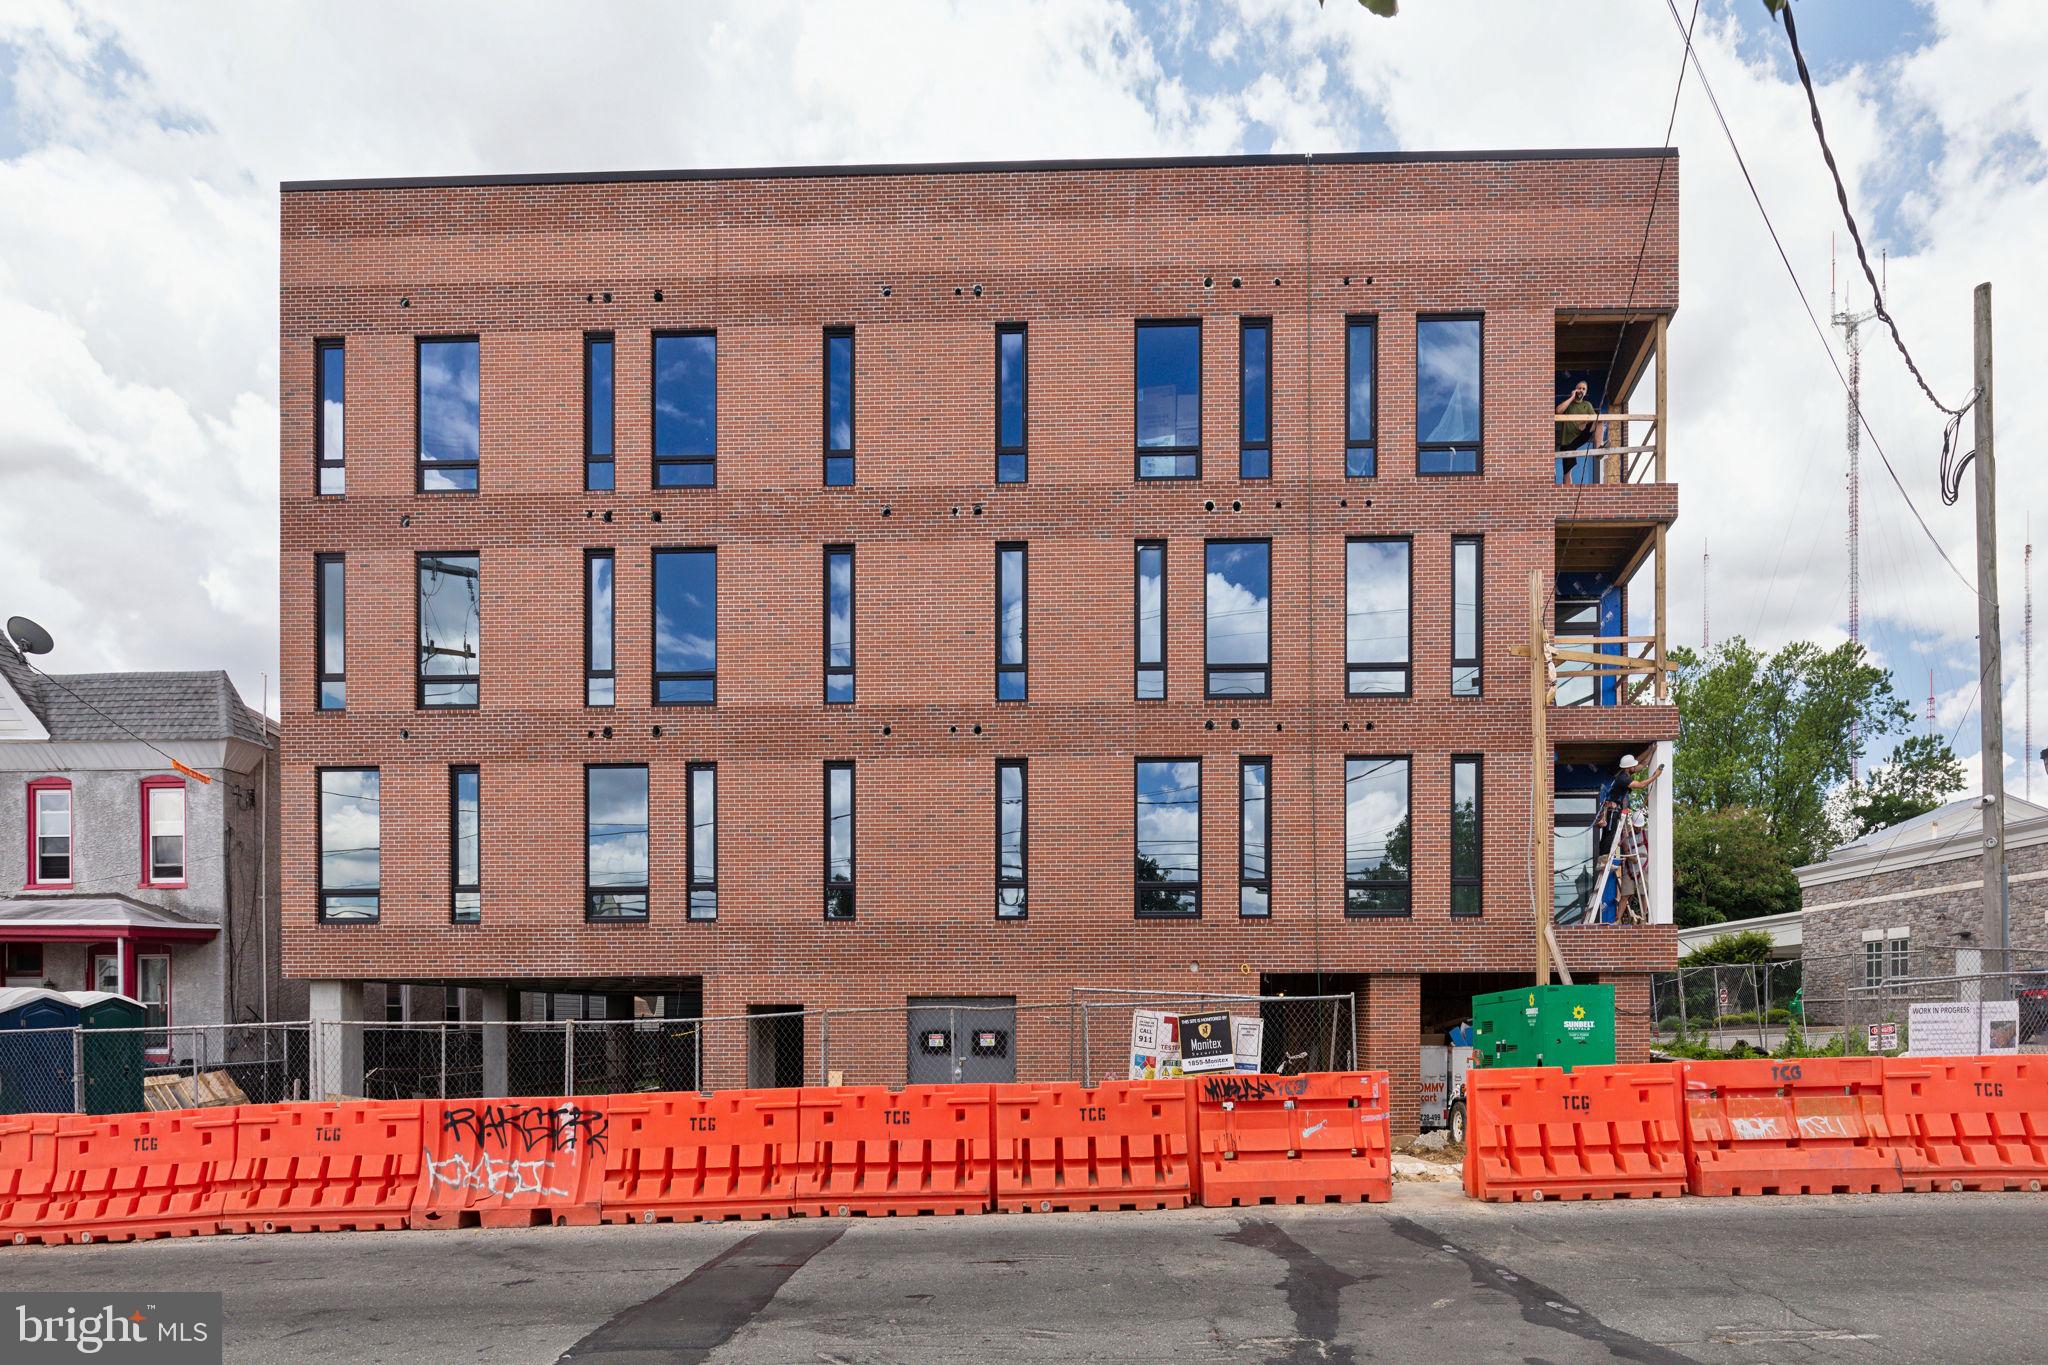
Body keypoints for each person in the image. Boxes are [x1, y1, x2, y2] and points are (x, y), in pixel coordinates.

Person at [1555, 381, 1610, 484]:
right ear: (1575, 390)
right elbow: (1558, 411)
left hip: (1580, 435)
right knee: (1567, 472)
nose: (1581, 390)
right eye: (1579, 388)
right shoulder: (1568, 404)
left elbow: (1595, 419)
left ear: (1586, 392)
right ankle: (1568, 494)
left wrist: (1585, 422)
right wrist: (1572, 397)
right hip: (1567, 441)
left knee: (1599, 418)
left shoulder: (1587, 405)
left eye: (1583, 389)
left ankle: (1598, 449)